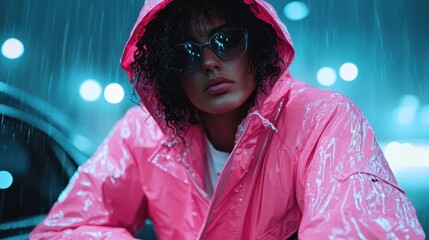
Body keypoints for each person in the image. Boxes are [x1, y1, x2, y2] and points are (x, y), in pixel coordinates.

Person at [30, 0, 425, 239]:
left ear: (257, 42)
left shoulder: (322, 119)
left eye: (226, 40)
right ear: (168, 72)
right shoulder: (140, 135)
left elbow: (363, 226)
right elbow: (63, 230)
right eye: (185, 53)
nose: (209, 61)